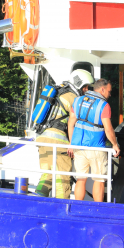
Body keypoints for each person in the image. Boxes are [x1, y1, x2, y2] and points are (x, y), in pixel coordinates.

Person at [34, 70, 94, 198]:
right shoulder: (73, 98)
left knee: (47, 175)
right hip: (57, 142)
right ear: (79, 84)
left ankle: (38, 201)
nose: (86, 89)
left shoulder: (59, 92)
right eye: (85, 86)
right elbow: (81, 122)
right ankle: (62, 210)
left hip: (42, 139)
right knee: (63, 179)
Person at [68, 78, 120, 201]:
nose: (110, 94)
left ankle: (77, 206)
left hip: (78, 147)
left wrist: (71, 144)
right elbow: (108, 129)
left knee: (80, 179)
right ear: (102, 89)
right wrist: (115, 144)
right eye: (109, 91)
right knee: (99, 179)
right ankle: (98, 209)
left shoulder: (77, 101)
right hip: (96, 147)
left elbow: (70, 124)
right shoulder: (104, 105)